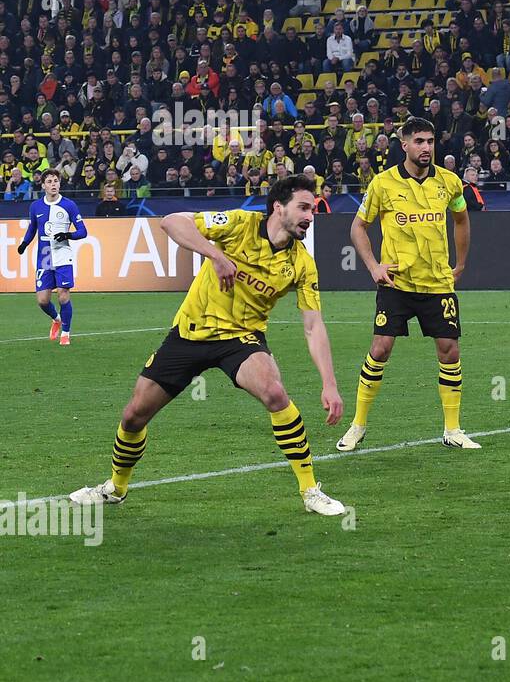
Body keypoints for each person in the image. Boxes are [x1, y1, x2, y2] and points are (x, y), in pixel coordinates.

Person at [68, 175, 348, 515]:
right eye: (303, 207)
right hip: (191, 332)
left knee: (275, 393)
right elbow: (171, 222)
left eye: (313, 209)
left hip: (241, 339)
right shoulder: (239, 224)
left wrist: (330, 384)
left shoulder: (302, 264)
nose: (310, 216)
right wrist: (215, 254)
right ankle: (116, 486)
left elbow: (313, 325)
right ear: (278, 207)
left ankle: (310, 491)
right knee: (133, 416)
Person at [336, 117, 479, 453]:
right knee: (380, 348)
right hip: (396, 283)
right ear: (405, 145)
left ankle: (453, 429)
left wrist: (460, 263)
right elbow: (358, 227)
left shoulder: (450, 182)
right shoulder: (383, 184)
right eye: (419, 141)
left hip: (437, 284)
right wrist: (373, 266)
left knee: (450, 351)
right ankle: (358, 424)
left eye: (430, 141)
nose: (426, 147)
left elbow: (461, 218)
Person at [16, 170, 87, 346]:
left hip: (63, 255)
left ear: (59, 184)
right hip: (44, 257)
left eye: (56, 181)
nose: (53, 184)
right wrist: (24, 243)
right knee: (42, 301)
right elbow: (32, 228)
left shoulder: (69, 205)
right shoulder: (36, 206)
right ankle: (56, 319)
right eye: (49, 181)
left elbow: (83, 231)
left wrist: (67, 235)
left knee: (63, 296)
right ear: (43, 185)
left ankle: (66, 333)